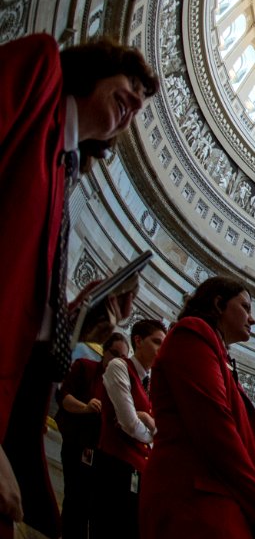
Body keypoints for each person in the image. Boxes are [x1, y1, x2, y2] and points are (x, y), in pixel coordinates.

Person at [0, 33, 157, 536]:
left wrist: (85, 320)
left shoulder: (65, 171)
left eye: (141, 102)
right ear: (94, 68)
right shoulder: (40, 70)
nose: (135, 102)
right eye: (130, 84)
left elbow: (27, 307)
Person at [139, 276, 255, 538]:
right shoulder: (192, 332)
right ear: (219, 304)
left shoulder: (224, 359)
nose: (252, 319)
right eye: (245, 307)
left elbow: (246, 441)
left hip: (221, 499)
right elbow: (215, 428)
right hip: (194, 500)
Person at [89, 319, 166, 539]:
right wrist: (150, 427)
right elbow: (129, 423)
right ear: (138, 341)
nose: (161, 350)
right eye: (157, 342)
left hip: (138, 472)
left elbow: (156, 431)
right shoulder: (119, 367)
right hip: (113, 466)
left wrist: (149, 423)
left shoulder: (150, 383)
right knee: (106, 527)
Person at [55, 332, 129, 539]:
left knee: (91, 504)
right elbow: (64, 397)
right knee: (74, 499)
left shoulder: (120, 386)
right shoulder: (84, 368)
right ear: (105, 352)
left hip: (102, 454)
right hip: (77, 444)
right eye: (115, 354)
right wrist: (85, 407)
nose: (117, 361)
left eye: (123, 358)